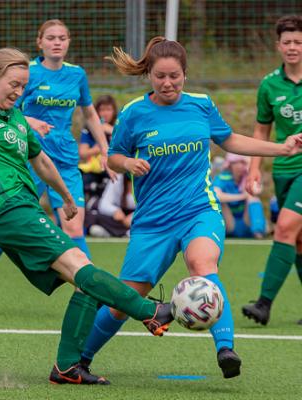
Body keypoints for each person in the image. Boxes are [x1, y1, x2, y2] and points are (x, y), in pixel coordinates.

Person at [0, 47, 174, 385]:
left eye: (23, 87)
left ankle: (67, 367)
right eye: (13, 84)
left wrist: (65, 197)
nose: (19, 92)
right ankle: (151, 312)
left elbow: (41, 162)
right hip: (8, 210)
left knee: (84, 284)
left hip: (25, 208)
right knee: (81, 266)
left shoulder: (15, 116)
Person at [77, 37, 302, 380]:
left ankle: (225, 349)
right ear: (148, 75)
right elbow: (113, 157)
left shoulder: (201, 104)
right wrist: (129, 163)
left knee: (203, 265)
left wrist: (281, 149)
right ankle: (81, 359)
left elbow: (230, 139)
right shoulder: (135, 112)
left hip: (199, 210)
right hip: (153, 221)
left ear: (185, 74)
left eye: (175, 76)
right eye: (160, 76)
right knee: (125, 299)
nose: (168, 83)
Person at [0, 19, 113, 305]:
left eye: (62, 37)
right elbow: (6, 110)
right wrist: (30, 121)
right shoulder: (28, 73)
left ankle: (87, 287)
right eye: (51, 38)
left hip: (64, 158)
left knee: (74, 226)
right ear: (40, 43)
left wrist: (105, 148)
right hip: (27, 156)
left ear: (69, 42)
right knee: (13, 220)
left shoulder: (77, 75)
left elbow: (88, 113)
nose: (57, 42)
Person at [242, 15, 302, 326]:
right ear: (278, 45)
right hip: (283, 168)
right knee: (299, 239)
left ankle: (264, 304)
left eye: (298, 42)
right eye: (288, 42)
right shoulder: (269, 84)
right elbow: (262, 131)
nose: (293, 47)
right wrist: (254, 169)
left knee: (284, 227)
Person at [213, 153, 266, 239]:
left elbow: (257, 190)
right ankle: (216, 232)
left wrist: (250, 166)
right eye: (237, 163)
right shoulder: (222, 178)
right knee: (220, 202)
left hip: (246, 221)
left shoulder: (248, 177)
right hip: (230, 223)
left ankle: (258, 232)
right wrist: (242, 196)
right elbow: (216, 196)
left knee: (253, 198)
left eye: (243, 163)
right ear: (230, 165)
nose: (240, 166)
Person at [79, 95, 118, 198]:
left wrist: (110, 130)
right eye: (102, 110)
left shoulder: (118, 127)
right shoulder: (88, 129)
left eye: (108, 109)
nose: (105, 113)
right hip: (94, 168)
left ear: (114, 111)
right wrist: (97, 149)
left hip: (112, 167)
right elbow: (82, 153)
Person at [86, 173, 135, 238]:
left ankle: (123, 232)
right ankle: (121, 233)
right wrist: (115, 211)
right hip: (119, 218)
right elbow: (103, 204)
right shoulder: (117, 177)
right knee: (93, 215)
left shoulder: (148, 179)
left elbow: (149, 206)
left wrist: (134, 216)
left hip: (138, 217)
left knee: (146, 221)